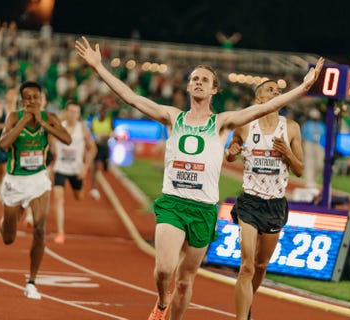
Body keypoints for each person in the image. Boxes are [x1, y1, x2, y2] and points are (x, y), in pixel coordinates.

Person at [75, 36, 323, 320]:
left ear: (214, 89)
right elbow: (131, 97)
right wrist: (98, 67)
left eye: (205, 79)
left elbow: (264, 108)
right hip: (173, 203)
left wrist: (304, 87)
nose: (198, 82)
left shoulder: (221, 123)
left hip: (204, 209)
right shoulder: (173, 117)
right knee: (165, 269)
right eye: (194, 78)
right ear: (188, 85)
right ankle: (160, 301)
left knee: (185, 281)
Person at [225, 80, 304, 320]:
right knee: (247, 265)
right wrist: (231, 152)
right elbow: (231, 152)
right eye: (271, 90)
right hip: (250, 201)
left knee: (261, 265)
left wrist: (287, 153)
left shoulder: (290, 128)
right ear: (259, 99)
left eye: (279, 91)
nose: (277, 93)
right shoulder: (245, 126)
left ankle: (247, 301)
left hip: (275, 203)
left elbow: (300, 170)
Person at [0, 81, 71, 299]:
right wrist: (24, 122)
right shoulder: (13, 117)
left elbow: (66, 139)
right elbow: (3, 144)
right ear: (22, 100)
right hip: (15, 182)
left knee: (40, 228)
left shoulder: (50, 118)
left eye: (35, 97)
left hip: (39, 180)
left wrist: (43, 123)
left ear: (41, 98)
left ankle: (31, 281)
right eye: (27, 98)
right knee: (8, 238)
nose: (31, 101)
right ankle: (6, 222)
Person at [51, 100, 97, 244]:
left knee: (79, 196)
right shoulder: (59, 127)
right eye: (70, 111)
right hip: (60, 168)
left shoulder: (83, 129)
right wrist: (53, 152)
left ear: (79, 114)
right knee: (58, 198)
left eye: (76, 112)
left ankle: (80, 186)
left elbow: (93, 149)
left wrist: (85, 167)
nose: (73, 115)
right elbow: (50, 139)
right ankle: (60, 232)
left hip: (76, 169)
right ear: (66, 112)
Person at [89, 103, 113, 200]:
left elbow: (112, 133)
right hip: (97, 146)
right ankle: (94, 188)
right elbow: (90, 133)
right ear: (99, 112)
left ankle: (106, 186)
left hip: (105, 147)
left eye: (104, 111)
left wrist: (106, 136)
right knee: (96, 167)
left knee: (106, 168)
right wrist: (95, 138)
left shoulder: (109, 121)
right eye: (101, 111)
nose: (102, 113)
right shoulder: (94, 122)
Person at [301, 108, 325, 188]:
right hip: (309, 143)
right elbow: (303, 137)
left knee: (319, 163)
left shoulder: (322, 125)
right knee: (309, 162)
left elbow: (324, 136)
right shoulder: (307, 124)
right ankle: (309, 181)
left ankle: (314, 179)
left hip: (319, 145)